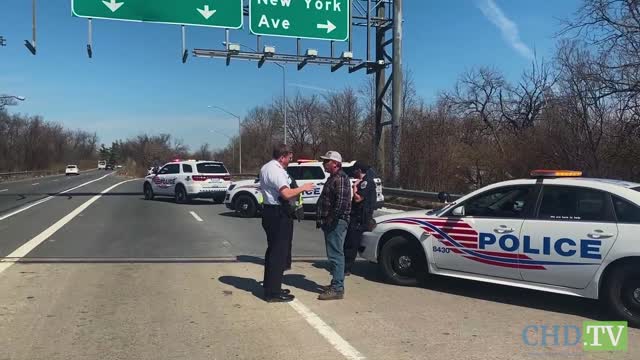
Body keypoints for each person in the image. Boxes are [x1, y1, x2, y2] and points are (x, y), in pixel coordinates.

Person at [259, 144, 314, 303]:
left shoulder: (267, 167)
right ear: (282, 156)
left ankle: (271, 286)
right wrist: (304, 188)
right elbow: (286, 193)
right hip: (277, 214)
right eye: (289, 157)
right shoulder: (276, 170)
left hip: (271, 212)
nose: (290, 160)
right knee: (278, 253)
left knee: (273, 252)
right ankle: (273, 293)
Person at [316, 151, 352, 301]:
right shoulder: (332, 178)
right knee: (334, 254)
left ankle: (337, 288)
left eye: (327, 161)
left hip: (336, 222)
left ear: (336, 163)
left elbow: (341, 204)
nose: (324, 163)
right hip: (331, 222)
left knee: (336, 255)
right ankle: (336, 284)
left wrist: (331, 219)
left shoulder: (341, 179)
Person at [344, 161, 378, 275]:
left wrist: (354, 187)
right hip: (360, 216)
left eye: (354, 170)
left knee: (351, 242)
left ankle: (346, 268)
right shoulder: (366, 181)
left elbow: (358, 199)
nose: (353, 172)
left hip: (360, 217)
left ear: (359, 170)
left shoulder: (366, 183)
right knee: (357, 242)